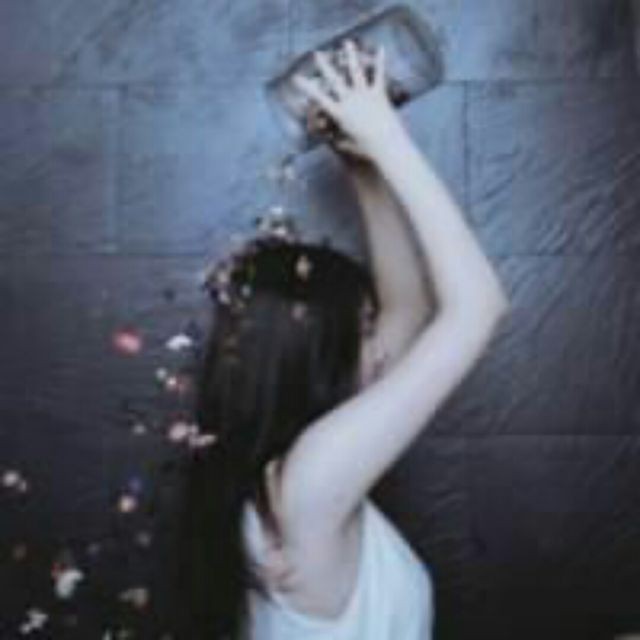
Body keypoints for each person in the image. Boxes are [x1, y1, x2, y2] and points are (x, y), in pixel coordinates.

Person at [171, 39, 511, 640]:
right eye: (366, 329)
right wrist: (389, 138)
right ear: (314, 355)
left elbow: (409, 311)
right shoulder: (311, 479)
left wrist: (364, 168)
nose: (383, 345)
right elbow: (478, 308)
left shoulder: (297, 478)